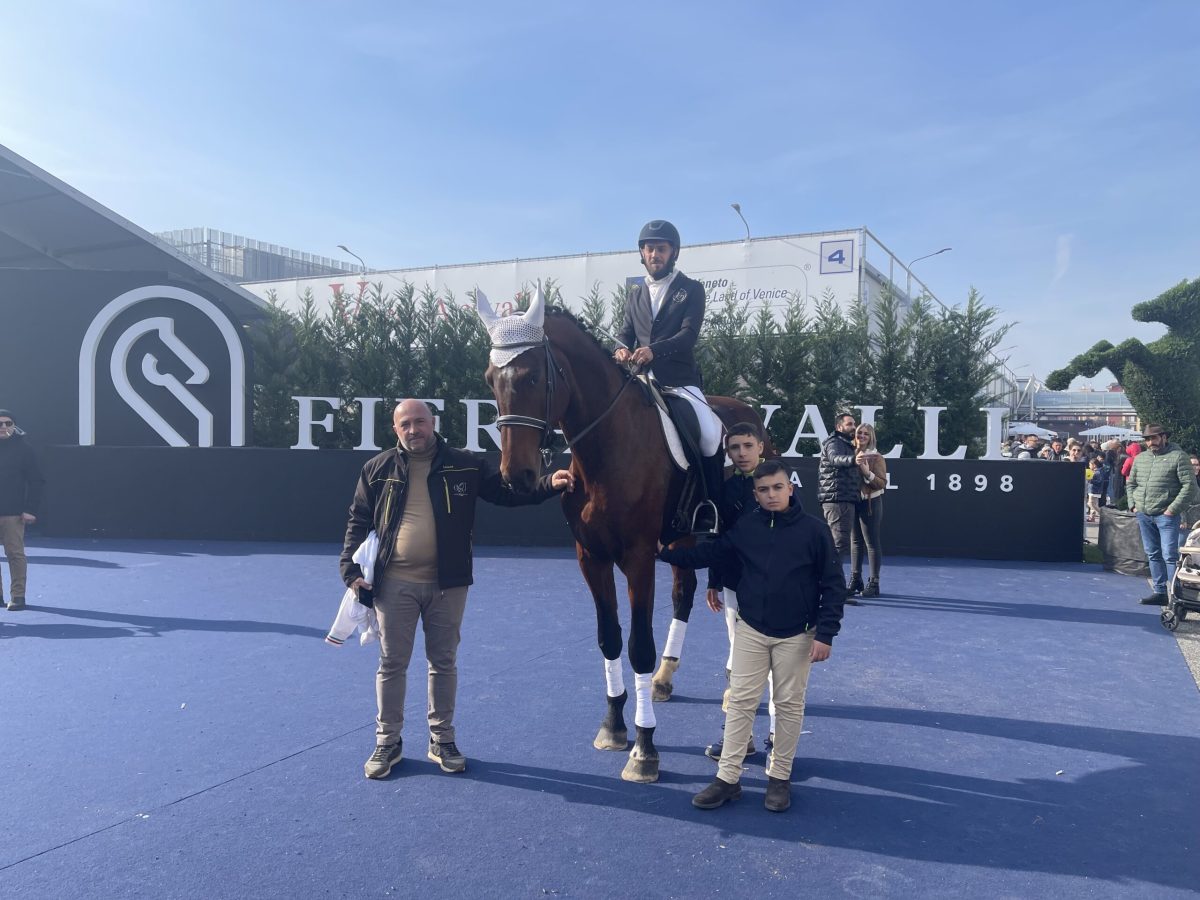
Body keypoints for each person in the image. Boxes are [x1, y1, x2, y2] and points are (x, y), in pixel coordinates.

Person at [341, 399, 575, 779]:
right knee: (391, 664)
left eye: (420, 421)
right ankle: (388, 741)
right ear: (395, 429)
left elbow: (507, 493)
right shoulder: (377, 468)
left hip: (448, 585)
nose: (414, 430)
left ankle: (442, 739)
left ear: (432, 422)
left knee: (443, 663)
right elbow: (358, 520)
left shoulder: (465, 464)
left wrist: (548, 484)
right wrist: (349, 570)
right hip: (393, 585)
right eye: (405, 424)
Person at [656, 460, 846, 813]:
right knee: (741, 702)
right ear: (756, 495)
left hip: (797, 636)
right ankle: (727, 779)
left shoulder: (815, 531)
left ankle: (779, 778)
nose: (771, 495)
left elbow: (834, 585)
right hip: (751, 631)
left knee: (788, 706)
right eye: (763, 490)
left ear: (790, 488)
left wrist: (826, 634)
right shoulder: (746, 528)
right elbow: (710, 553)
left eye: (777, 487)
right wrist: (664, 552)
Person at [614, 219, 723, 534]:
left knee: (709, 434)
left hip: (679, 380)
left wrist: (653, 351)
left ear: (673, 252)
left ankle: (710, 506)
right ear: (642, 253)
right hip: (640, 381)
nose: (654, 254)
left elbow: (688, 335)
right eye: (649, 249)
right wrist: (619, 349)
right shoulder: (635, 295)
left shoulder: (691, 289)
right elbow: (624, 334)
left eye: (661, 249)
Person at [702, 422, 770, 762]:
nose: (741, 453)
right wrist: (713, 580)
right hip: (734, 585)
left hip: (775, 588)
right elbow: (719, 537)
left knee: (775, 663)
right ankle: (741, 736)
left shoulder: (777, 484)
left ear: (760, 447)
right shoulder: (726, 490)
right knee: (738, 656)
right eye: (735, 448)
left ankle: (777, 736)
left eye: (747, 446)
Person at [1126, 424, 1199, 606]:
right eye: (1147, 439)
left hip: (1166, 515)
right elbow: (1131, 483)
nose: (1150, 442)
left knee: (1170, 556)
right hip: (1144, 514)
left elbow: (1190, 486)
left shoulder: (1178, 456)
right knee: (1152, 553)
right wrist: (1133, 505)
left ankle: (1176, 595)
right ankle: (1160, 592)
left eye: (1154, 438)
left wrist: (1172, 509)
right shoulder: (1141, 459)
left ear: (1164, 437)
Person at [0, 410, 44, 611]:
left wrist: (30, 509)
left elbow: (36, 481)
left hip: (13, 513)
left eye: (8, 423)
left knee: (15, 554)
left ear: (14, 426)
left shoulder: (24, 449)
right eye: (0, 424)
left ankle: (18, 596)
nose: (4, 427)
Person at [818, 412, 859, 599]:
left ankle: (832, 587)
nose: (853, 427)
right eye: (849, 424)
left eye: (854, 423)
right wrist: (853, 459)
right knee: (839, 545)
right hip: (837, 498)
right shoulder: (834, 442)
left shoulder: (847, 444)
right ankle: (833, 590)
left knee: (839, 544)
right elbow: (835, 459)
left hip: (842, 498)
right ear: (839, 427)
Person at [848, 423, 887, 598]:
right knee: (855, 542)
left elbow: (881, 483)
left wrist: (866, 472)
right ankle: (856, 580)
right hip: (852, 502)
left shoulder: (877, 457)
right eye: (859, 433)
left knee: (871, 543)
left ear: (871, 437)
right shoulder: (850, 454)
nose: (862, 436)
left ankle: (874, 583)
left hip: (871, 503)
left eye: (866, 434)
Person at [1087, 455, 1108, 523]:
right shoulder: (1096, 471)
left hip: (1094, 490)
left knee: (1090, 503)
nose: (1089, 466)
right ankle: (1092, 517)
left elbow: (1099, 481)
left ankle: (1102, 514)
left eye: (1090, 465)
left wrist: (1090, 480)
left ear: (1094, 465)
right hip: (1093, 489)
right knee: (1094, 504)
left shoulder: (1098, 472)